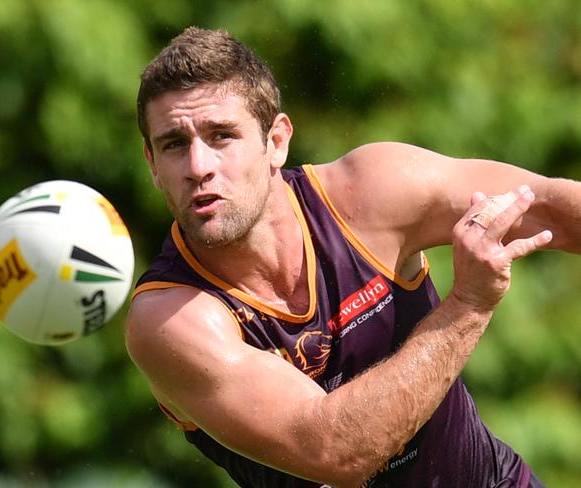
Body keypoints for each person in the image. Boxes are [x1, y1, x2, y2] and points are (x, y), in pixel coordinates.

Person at [126, 26, 579, 487]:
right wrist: (469, 306)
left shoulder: (369, 193)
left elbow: (552, 207)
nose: (198, 166)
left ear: (276, 142)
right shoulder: (170, 319)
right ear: (152, 164)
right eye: (174, 145)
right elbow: (336, 451)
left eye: (222, 136)